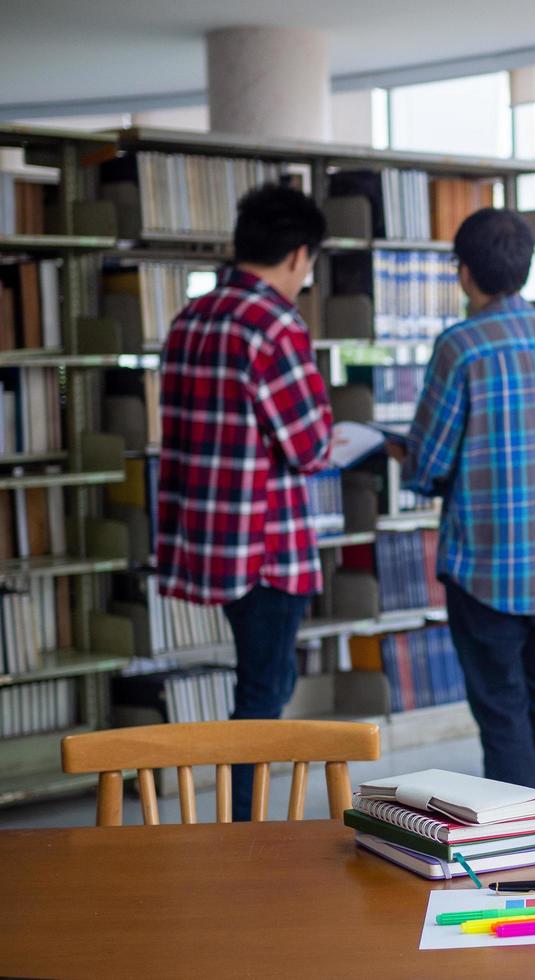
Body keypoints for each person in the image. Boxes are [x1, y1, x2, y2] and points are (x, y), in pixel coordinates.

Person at [399, 208, 535, 806]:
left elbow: (428, 466)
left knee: (501, 706)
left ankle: (516, 836)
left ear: (463, 273)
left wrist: (397, 451)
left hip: (487, 565)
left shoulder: (461, 347)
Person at [155, 183, 333, 821]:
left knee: (258, 682)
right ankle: (241, 828)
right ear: (298, 254)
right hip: (265, 546)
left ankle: (238, 817)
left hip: (205, 538)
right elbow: (309, 447)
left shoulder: (191, 317)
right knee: (263, 691)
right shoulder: (274, 325)